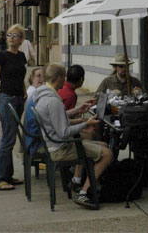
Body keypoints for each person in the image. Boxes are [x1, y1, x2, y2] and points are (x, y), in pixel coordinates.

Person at [33, 64, 114, 210]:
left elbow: (57, 120)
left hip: (53, 144)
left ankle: (80, 182)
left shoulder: (42, 94)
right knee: (108, 154)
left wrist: (79, 110)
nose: (65, 80)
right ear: (58, 78)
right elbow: (63, 132)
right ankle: (84, 193)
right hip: (60, 148)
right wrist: (86, 124)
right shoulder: (53, 101)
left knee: (103, 145)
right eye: (63, 77)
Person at [0, 23, 27, 191]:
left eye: (15, 35)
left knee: (11, 137)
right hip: (6, 99)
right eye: (9, 34)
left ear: (20, 40)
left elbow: (21, 75)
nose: (11, 37)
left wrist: (25, 92)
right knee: (7, 139)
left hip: (19, 99)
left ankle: (7, 175)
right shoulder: (1, 56)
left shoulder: (22, 56)